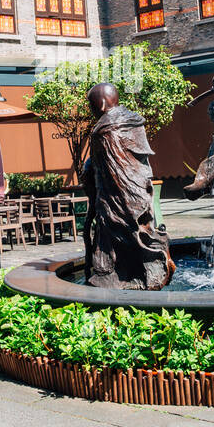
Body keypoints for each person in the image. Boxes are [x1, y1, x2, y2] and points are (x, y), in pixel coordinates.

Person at [80, 82, 173, 290]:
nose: (91, 110)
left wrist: (88, 168)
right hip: (138, 188)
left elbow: (103, 167)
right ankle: (148, 271)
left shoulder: (103, 131)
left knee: (115, 237)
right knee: (137, 231)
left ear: (102, 104)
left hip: (115, 197)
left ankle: (116, 277)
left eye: (91, 105)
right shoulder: (133, 122)